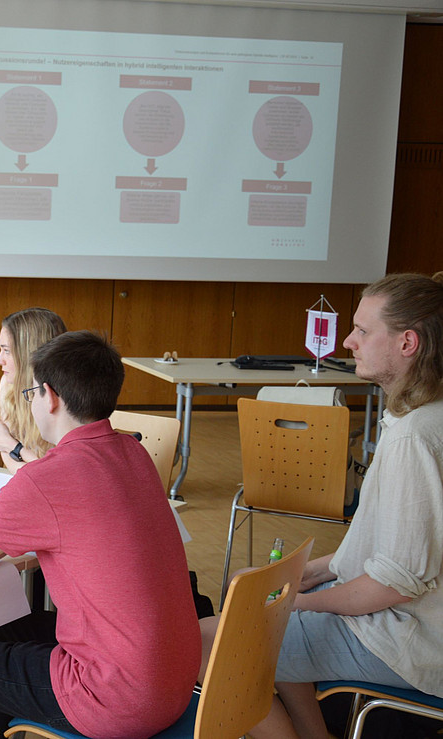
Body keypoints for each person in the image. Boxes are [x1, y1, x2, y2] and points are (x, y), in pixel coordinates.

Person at [0, 331, 200, 739]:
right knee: (8, 624)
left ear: (50, 397)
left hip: (111, 699)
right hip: (173, 681)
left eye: (32, 393)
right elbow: (64, 527)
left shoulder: (46, 477)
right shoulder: (134, 453)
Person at [240, 272, 443, 739]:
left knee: (211, 645)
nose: (349, 342)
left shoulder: (414, 437)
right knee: (261, 607)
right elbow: (400, 550)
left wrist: (301, 602)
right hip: (411, 621)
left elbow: (395, 582)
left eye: (363, 331)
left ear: (408, 343)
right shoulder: (422, 419)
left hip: (409, 641)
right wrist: (315, 572)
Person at [0, 307, 67, 471]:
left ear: (29, 353)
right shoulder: (8, 384)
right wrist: (10, 446)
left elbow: (55, 474)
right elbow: (6, 453)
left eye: (7, 351)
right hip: (22, 479)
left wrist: (12, 445)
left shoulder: (67, 394)